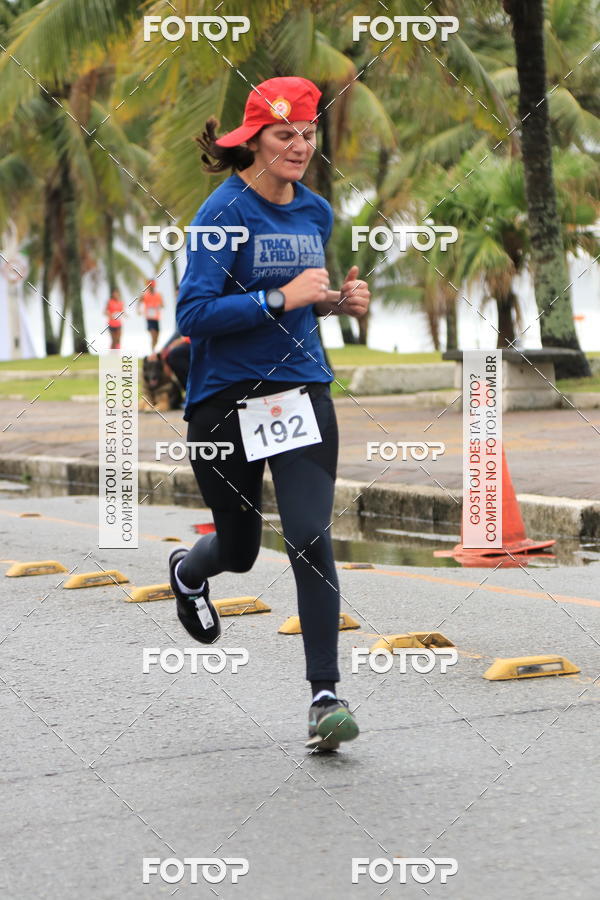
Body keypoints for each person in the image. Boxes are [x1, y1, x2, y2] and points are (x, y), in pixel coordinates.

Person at [169, 76, 370, 752]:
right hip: (224, 401)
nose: (299, 146)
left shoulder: (315, 212)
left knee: (311, 537)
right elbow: (193, 315)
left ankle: (324, 697)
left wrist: (336, 301)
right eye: (284, 134)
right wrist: (280, 300)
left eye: (308, 134)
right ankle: (190, 572)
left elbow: (305, 296)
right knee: (242, 549)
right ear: (252, 139)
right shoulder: (222, 213)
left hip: (300, 390)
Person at [138, 279, 164, 350]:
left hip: (156, 318)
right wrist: (139, 310)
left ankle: (154, 349)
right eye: (150, 286)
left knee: (156, 338)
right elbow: (139, 302)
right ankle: (153, 352)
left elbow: (162, 305)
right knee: (153, 335)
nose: (151, 287)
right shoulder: (144, 295)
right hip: (149, 318)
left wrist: (159, 306)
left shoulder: (158, 295)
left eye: (152, 285)